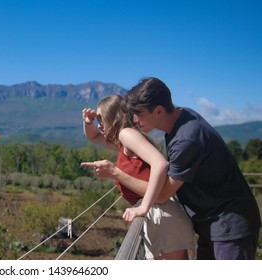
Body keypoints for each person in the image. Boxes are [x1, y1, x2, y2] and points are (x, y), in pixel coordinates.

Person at [91, 77, 261, 260]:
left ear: (158, 110)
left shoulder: (186, 138)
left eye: (138, 113)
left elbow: (163, 194)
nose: (133, 120)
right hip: (213, 223)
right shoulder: (183, 118)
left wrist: (138, 201)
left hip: (229, 225)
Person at [81, 95, 196, 260]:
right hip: (158, 214)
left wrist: (114, 172)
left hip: (161, 215)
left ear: (112, 116)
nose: (98, 124)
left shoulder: (126, 134)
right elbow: (93, 137)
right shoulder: (123, 140)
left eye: (100, 118)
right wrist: (87, 122)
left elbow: (161, 164)